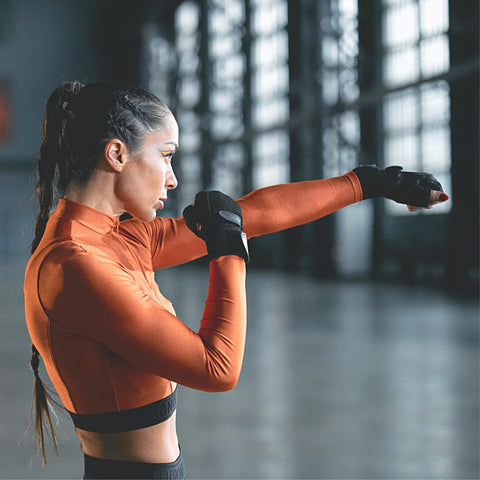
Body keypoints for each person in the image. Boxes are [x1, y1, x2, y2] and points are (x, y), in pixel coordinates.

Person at [23, 80, 448, 480]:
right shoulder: (76, 265)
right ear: (116, 155)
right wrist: (229, 252)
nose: (173, 178)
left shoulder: (115, 239)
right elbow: (217, 368)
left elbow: (253, 214)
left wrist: (368, 182)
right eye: (166, 155)